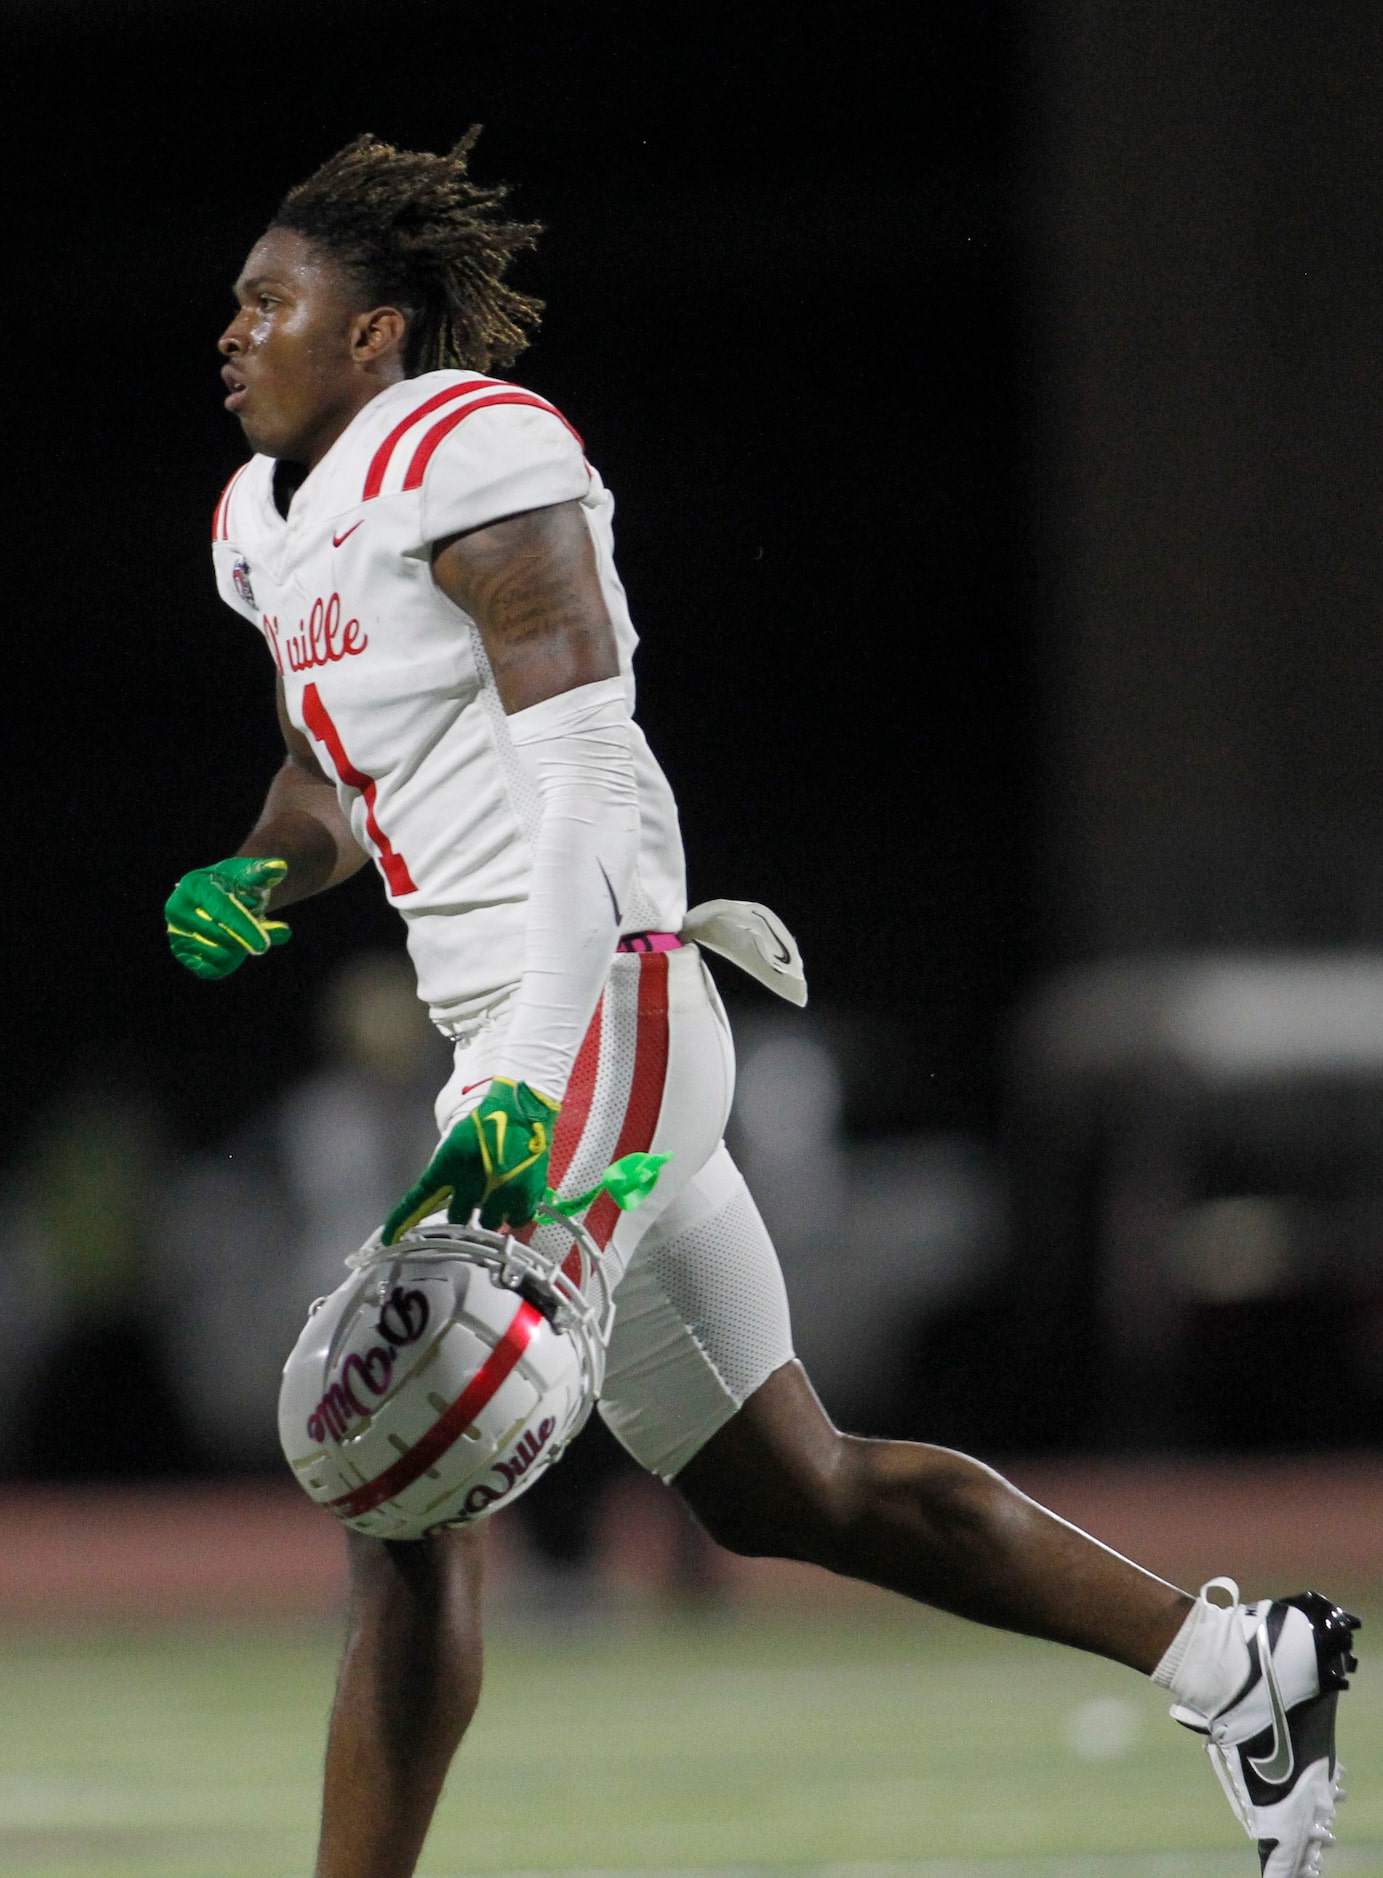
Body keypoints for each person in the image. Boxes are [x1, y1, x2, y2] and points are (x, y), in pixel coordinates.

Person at [164, 130, 1357, 1878]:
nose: (233, 331)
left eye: (272, 302)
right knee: (794, 1487)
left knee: (398, 1473)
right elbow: (333, 775)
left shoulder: (473, 442)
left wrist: (537, 1073)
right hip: (517, 1034)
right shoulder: (256, 528)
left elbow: (578, 761)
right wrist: (261, 869)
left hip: (605, 1003)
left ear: (378, 334)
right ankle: (1233, 1663)